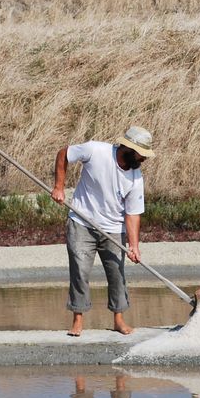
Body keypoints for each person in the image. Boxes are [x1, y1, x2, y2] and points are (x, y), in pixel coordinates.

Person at [53, 125, 154, 337]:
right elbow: (64, 154)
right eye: (141, 154)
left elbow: (133, 214)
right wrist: (59, 187)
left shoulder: (136, 178)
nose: (143, 159)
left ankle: (118, 320)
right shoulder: (95, 151)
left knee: (117, 274)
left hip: (114, 229)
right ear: (128, 148)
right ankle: (78, 320)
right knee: (79, 271)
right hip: (81, 222)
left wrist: (134, 246)